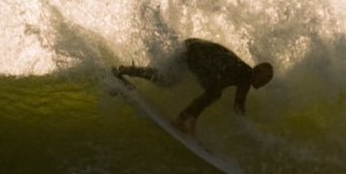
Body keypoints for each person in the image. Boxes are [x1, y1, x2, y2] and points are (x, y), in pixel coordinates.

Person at [114, 38, 273, 134]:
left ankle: (127, 70)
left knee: (166, 80)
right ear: (256, 70)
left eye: (267, 82)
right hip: (195, 51)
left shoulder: (246, 78)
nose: (264, 84)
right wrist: (194, 114)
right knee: (214, 92)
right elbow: (217, 90)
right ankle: (183, 119)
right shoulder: (242, 72)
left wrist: (253, 133)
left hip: (194, 48)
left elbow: (239, 106)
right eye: (264, 79)